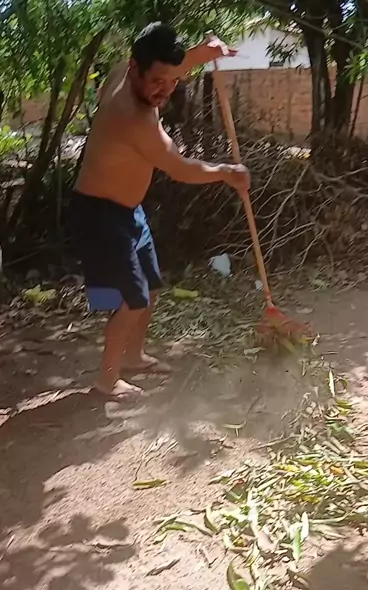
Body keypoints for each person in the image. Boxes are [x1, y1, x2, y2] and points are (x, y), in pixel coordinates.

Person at [69, 22, 251, 402]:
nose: (165, 90)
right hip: (100, 214)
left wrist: (205, 52)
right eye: (157, 82)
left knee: (150, 288)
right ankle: (107, 379)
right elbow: (180, 169)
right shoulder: (131, 118)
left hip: (128, 211)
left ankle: (133, 356)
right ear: (135, 68)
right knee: (131, 298)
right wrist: (225, 172)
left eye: (172, 82)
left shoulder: (127, 72)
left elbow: (171, 67)